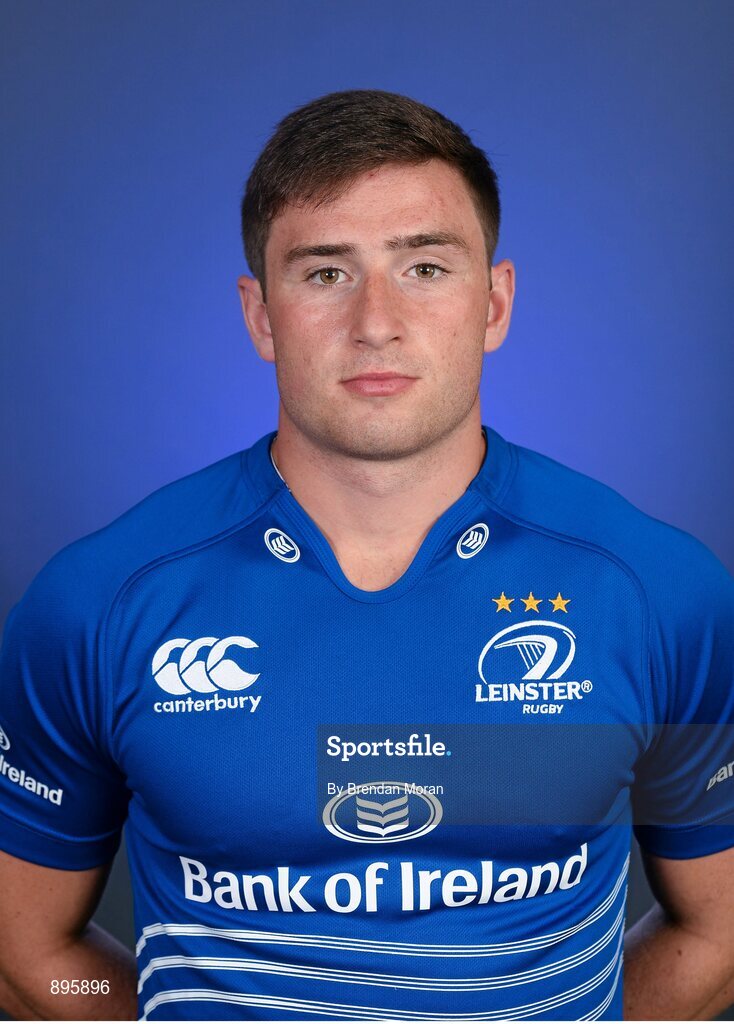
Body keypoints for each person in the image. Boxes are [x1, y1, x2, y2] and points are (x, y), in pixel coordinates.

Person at [0, 88, 732, 1023]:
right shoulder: (98, 603)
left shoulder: (660, 595)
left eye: (425, 266)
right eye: (324, 274)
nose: (376, 322)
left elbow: (721, 928)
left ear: (495, 302)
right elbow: (29, 953)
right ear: (261, 315)